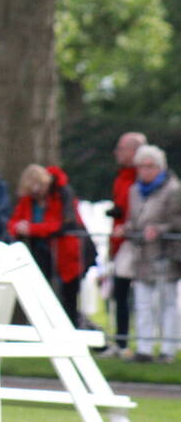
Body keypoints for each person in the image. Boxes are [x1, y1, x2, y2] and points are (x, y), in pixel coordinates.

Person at [113, 145, 181, 363]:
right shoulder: (135, 190)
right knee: (142, 302)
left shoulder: (173, 189)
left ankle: (168, 348)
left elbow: (176, 220)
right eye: (141, 166)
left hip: (165, 253)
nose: (144, 171)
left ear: (160, 167)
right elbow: (136, 219)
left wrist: (160, 229)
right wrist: (126, 228)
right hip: (141, 254)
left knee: (167, 302)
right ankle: (144, 347)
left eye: (149, 166)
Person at [8, 165, 84, 327]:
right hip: (40, 252)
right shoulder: (28, 201)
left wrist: (31, 228)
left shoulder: (61, 195)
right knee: (40, 291)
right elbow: (14, 220)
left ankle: (69, 330)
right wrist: (17, 227)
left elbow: (59, 224)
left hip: (64, 254)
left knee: (67, 296)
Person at [105, 131, 146, 355]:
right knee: (119, 292)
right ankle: (120, 341)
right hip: (121, 240)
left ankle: (142, 344)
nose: (117, 153)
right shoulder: (122, 176)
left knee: (142, 296)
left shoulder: (140, 177)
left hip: (138, 242)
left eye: (121, 148)